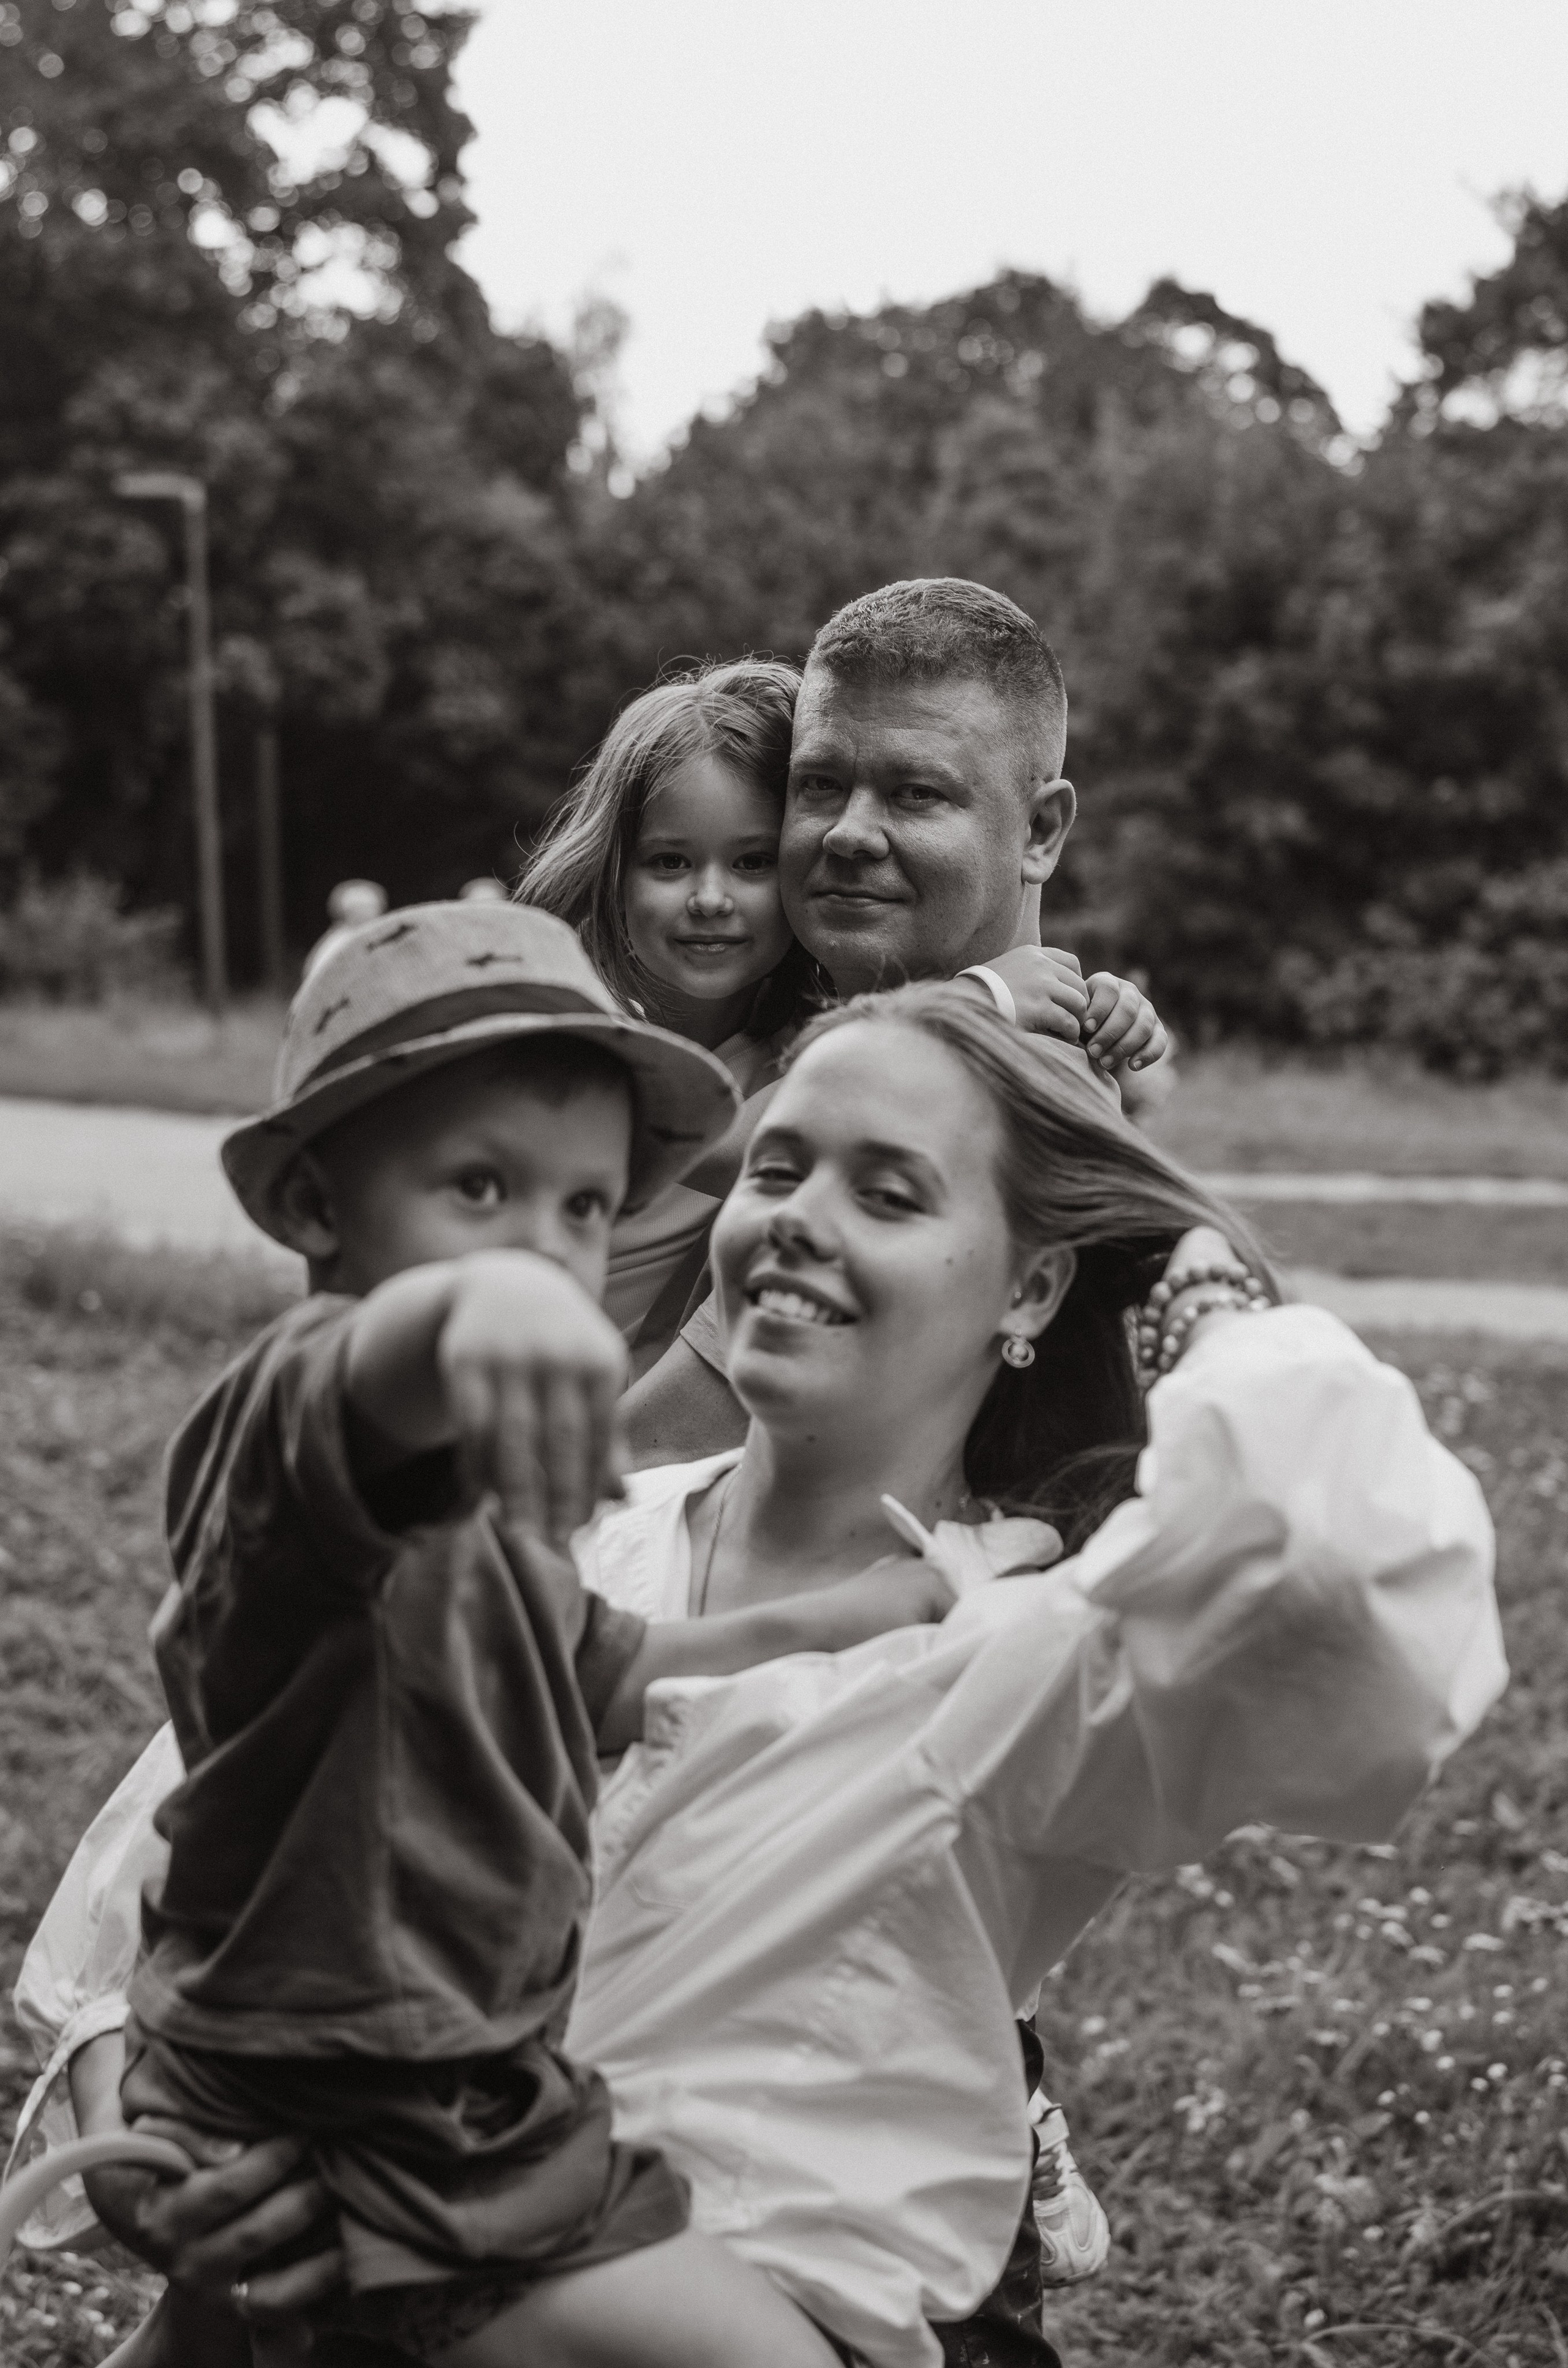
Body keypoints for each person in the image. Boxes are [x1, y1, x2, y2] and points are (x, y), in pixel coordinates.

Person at [9, 987, 1504, 2368]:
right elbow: (204, 1811)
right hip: (385, 2246)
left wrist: (1206, 1297)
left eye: (889, 1189)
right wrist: (196, 2166)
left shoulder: (1032, 1650)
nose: (794, 1220)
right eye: (775, 1169)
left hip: (737, 2311)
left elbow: (1349, 1595)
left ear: (1032, 1288)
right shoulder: (566, 1536)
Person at [28, 901, 966, 2368]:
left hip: (362, 2061)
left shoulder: (478, 1502)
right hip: (389, 2099)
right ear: (321, 1210)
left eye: (583, 1208)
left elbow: (600, 1666)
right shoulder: (304, 1426)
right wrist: (467, 1321)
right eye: (478, 1189)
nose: (543, 1248)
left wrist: (847, 1613)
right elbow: (371, 1378)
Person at [620, 578, 1167, 1466]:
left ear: (1040, 831)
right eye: (820, 786)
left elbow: (648, 1454)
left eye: (916, 794)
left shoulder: (966, 1092)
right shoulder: (833, 1029)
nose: (848, 833)